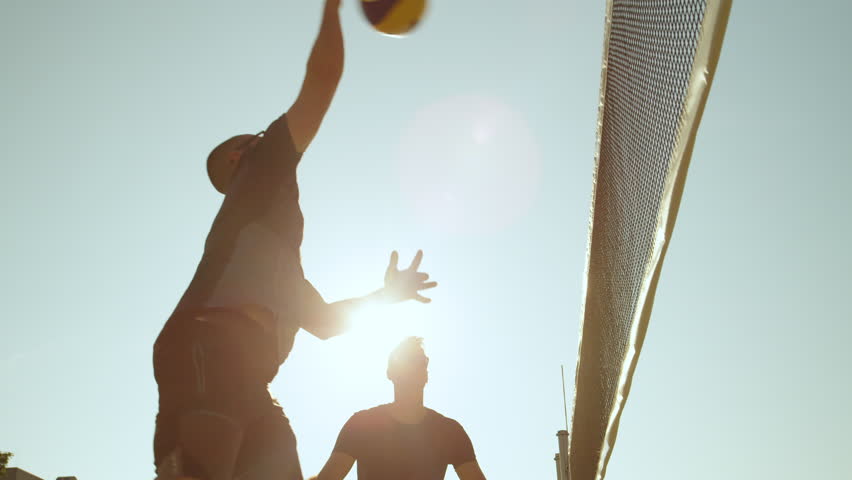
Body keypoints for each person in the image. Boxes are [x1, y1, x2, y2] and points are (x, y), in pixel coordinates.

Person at [151, 1, 437, 479]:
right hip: (208, 344)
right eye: (260, 136)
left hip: (250, 377)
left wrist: (385, 297)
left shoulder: (275, 262)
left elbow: (324, 322)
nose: (271, 138)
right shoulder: (260, 174)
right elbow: (322, 81)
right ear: (239, 159)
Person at [312, 337, 487, 480]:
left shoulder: (450, 431)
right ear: (390, 373)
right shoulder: (362, 424)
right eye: (407, 361)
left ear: (426, 374)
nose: (416, 367)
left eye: (421, 362)